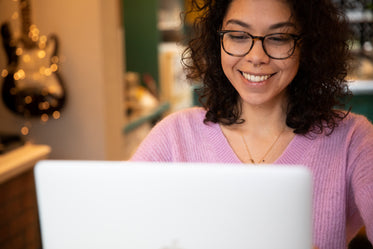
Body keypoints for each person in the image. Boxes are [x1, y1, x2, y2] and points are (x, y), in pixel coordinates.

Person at [131, 0, 373, 248]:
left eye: (279, 38)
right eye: (237, 35)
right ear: (218, 41)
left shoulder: (353, 140)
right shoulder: (173, 137)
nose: (256, 57)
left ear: (308, 45)